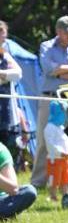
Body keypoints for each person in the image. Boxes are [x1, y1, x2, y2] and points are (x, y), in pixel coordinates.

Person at [31, 16, 68, 187]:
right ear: (58, 32)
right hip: (50, 97)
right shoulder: (46, 46)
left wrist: (59, 71)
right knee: (44, 139)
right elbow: (48, 69)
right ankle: (38, 182)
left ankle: (66, 181)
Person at [0, 20, 23, 157]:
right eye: (2, 33)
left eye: (4, 34)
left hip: (6, 112)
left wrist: (2, 74)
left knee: (7, 149)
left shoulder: (5, 55)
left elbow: (18, 74)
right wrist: (7, 76)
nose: (4, 37)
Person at [0, 141, 37, 220]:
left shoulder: (1, 151)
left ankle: (5, 213)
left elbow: (13, 189)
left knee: (29, 191)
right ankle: (6, 215)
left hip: (2, 200)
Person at [44, 101, 68, 201]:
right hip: (55, 159)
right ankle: (52, 196)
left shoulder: (60, 127)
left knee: (65, 178)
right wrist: (60, 152)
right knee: (54, 178)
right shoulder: (49, 128)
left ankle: (65, 195)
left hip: (65, 158)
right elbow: (50, 144)